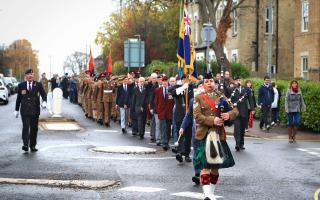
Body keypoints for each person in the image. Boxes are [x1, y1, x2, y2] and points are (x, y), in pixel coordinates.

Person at [193, 73, 238, 200]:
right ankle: (207, 194)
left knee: (215, 169)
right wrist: (213, 120)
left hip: (218, 136)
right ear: (203, 84)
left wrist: (229, 115)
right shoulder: (198, 98)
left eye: (211, 81)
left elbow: (235, 110)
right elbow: (197, 116)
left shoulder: (221, 96)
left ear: (215, 83)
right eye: (206, 81)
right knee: (205, 167)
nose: (209, 83)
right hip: (205, 135)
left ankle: (211, 193)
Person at [14, 68, 47, 152]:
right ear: (26, 76)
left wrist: (44, 101)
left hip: (35, 110)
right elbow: (18, 98)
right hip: (24, 110)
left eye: (32, 74)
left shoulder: (38, 84)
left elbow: (43, 94)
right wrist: (16, 109)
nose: (30, 76)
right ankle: (25, 144)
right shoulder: (21, 85)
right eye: (29, 74)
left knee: (34, 128)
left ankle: (32, 145)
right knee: (25, 127)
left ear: (33, 75)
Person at [230, 76, 254, 151]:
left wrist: (252, 109)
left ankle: (241, 143)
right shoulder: (232, 89)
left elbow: (250, 99)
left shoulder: (246, 89)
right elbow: (229, 100)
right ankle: (237, 144)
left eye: (239, 80)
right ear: (235, 81)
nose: (238, 81)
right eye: (237, 80)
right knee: (237, 128)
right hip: (236, 112)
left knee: (242, 129)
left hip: (244, 111)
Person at [154, 76, 174, 151]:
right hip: (161, 112)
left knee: (168, 128)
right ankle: (164, 142)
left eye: (166, 81)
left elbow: (173, 101)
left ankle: (167, 141)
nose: (165, 82)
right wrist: (157, 110)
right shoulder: (158, 90)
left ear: (167, 82)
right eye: (163, 81)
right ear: (162, 82)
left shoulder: (171, 90)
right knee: (163, 127)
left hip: (169, 112)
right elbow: (156, 101)